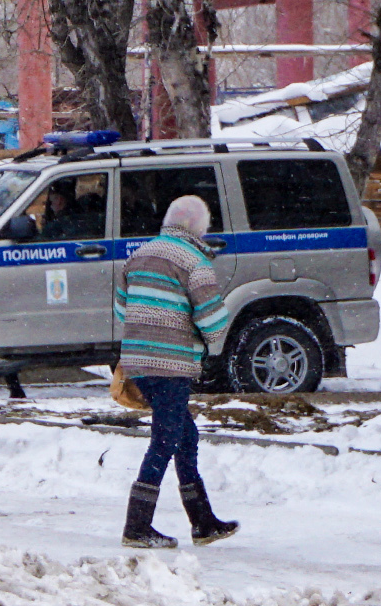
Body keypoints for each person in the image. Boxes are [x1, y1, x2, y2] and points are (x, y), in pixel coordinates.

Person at [112, 194, 238, 548]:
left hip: (137, 362)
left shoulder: (139, 255)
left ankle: (203, 522)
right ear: (198, 227)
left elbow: (122, 311)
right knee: (165, 440)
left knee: (185, 437)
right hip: (171, 364)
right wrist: (206, 334)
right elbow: (213, 323)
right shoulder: (195, 263)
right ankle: (136, 527)